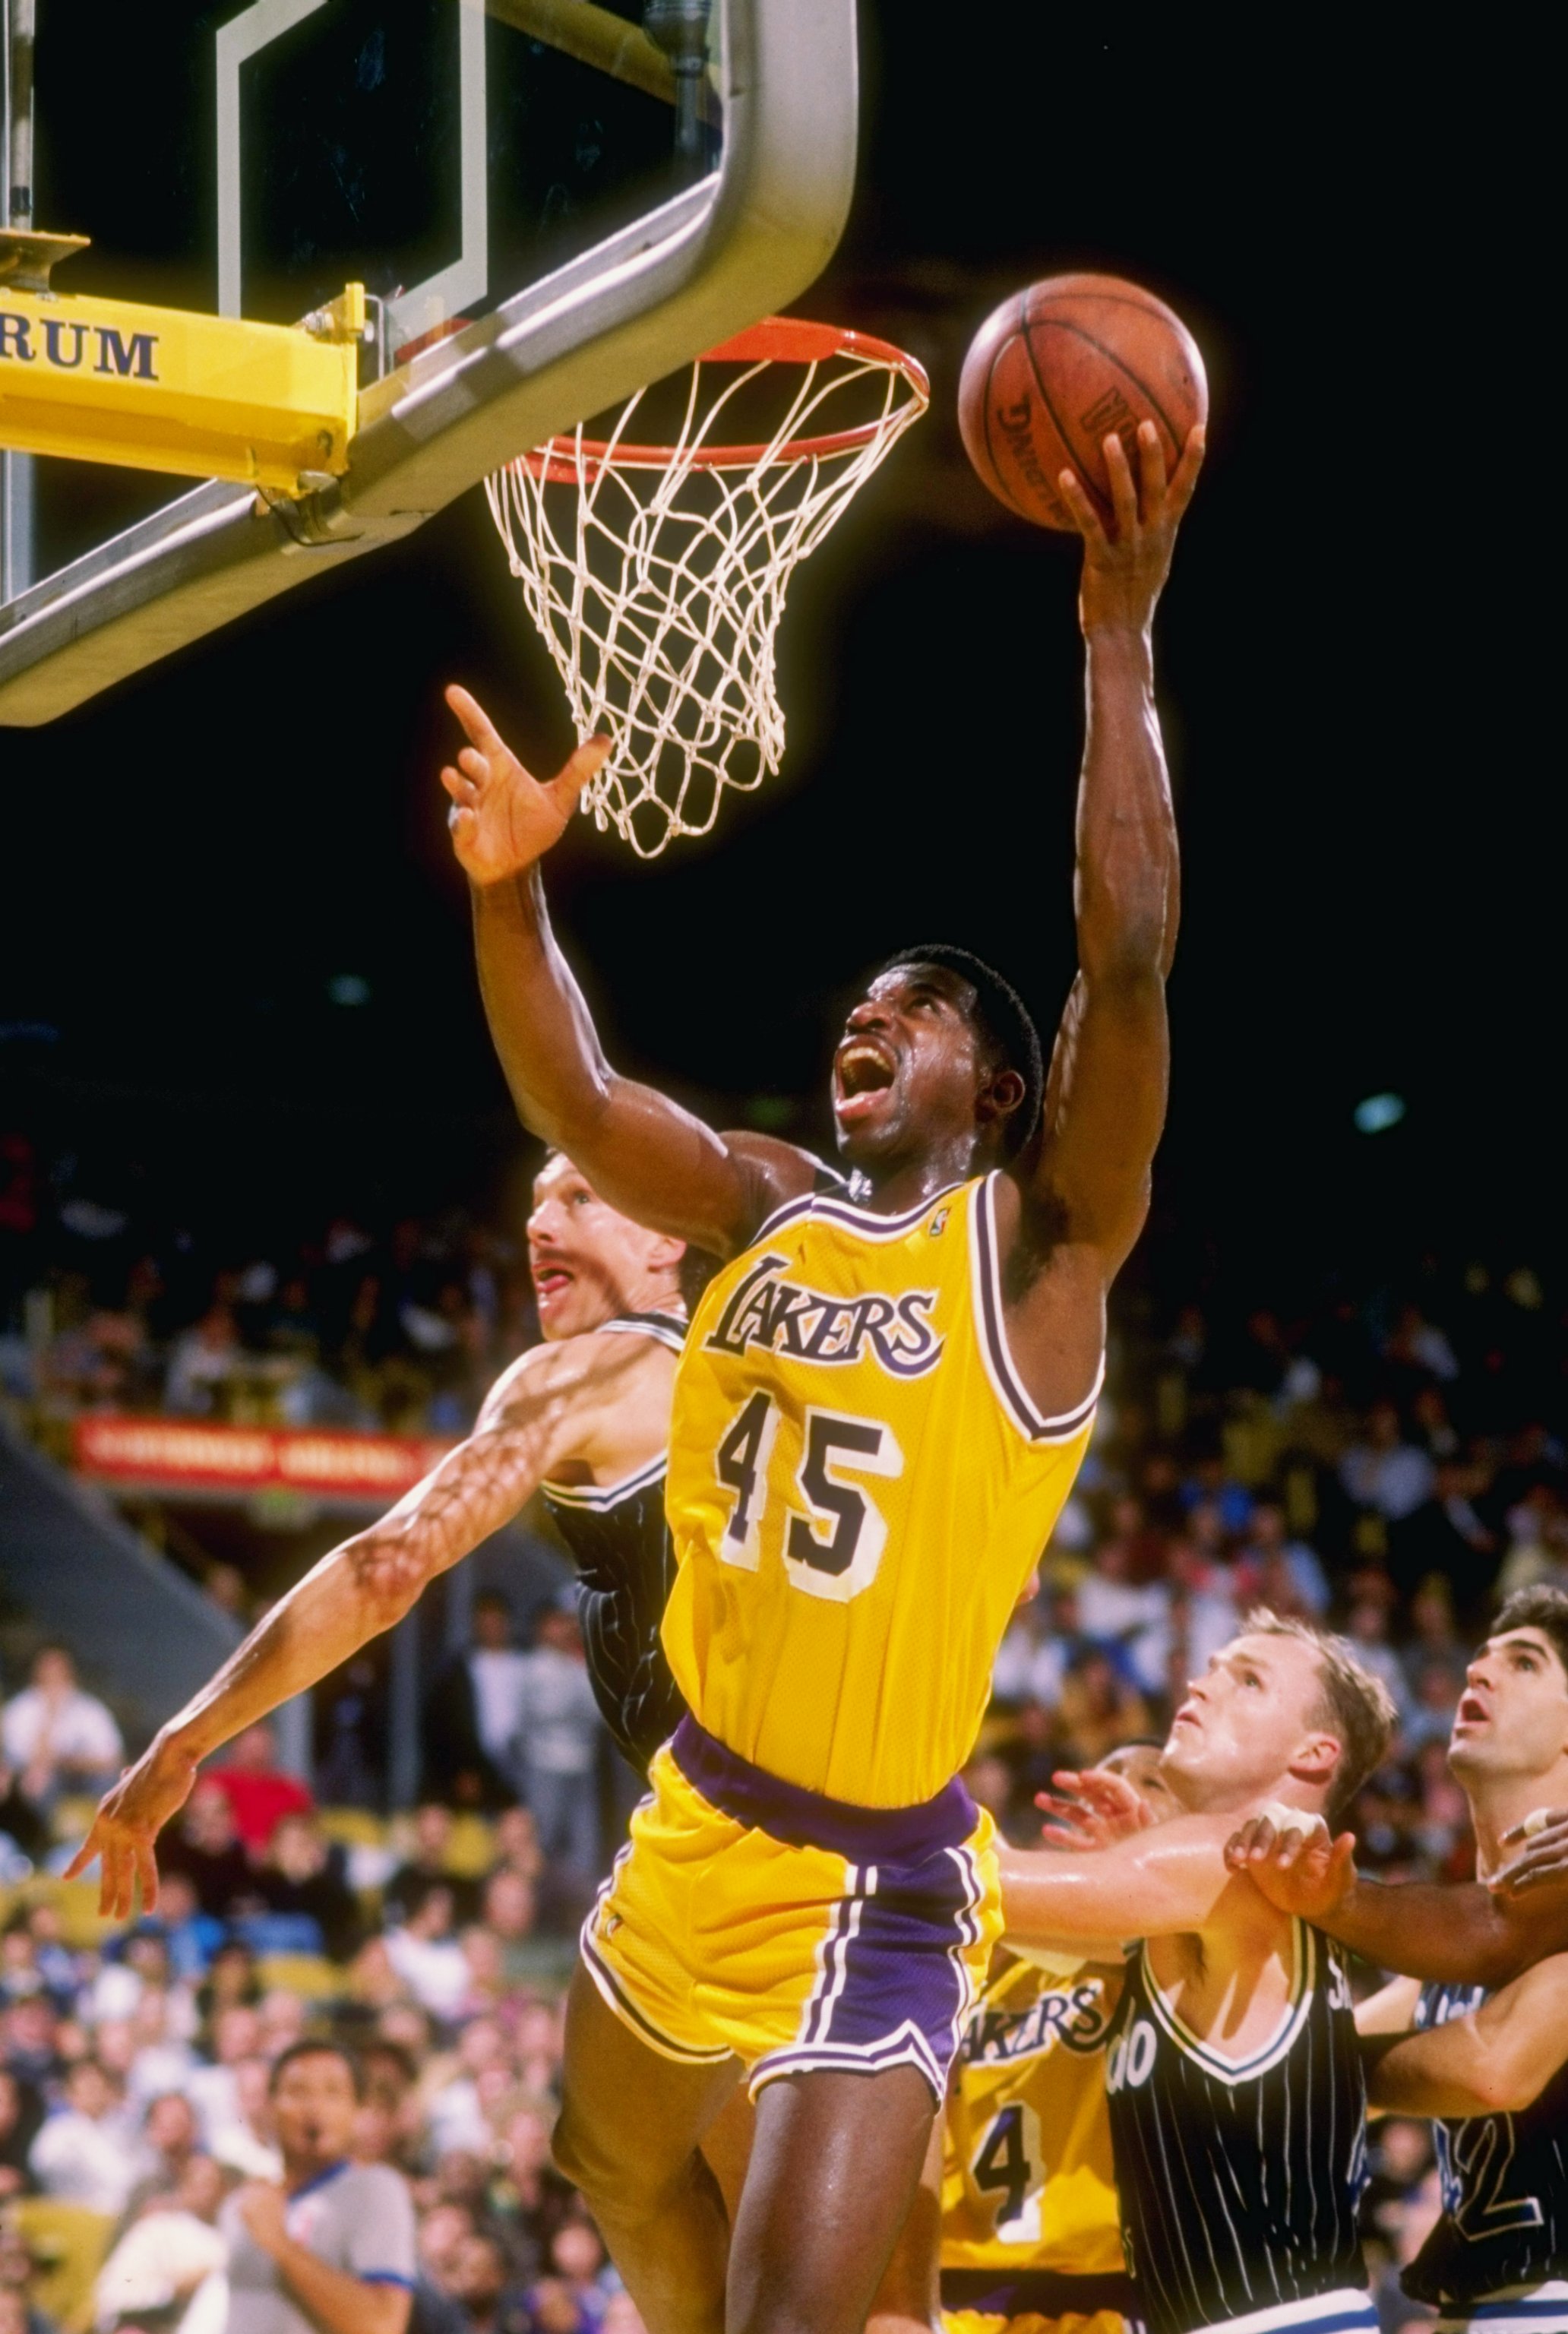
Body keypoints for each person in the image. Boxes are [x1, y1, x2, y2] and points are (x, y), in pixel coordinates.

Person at [438, 418, 1201, 2332]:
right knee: (598, 2162)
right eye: (859, 1005)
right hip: (691, 1812)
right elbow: (579, 1100)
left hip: (878, 1882)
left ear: (1000, 1084)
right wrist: (513, 893)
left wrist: (1114, 625)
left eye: (920, 1008)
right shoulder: (763, 1206)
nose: (870, 1016)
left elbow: (1124, 944)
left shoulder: (1034, 1254)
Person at [71, 1149, 695, 1914]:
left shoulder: (582, 1373)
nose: (536, 1225)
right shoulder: (776, 1369)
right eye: (536, 1202)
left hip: (739, 1829)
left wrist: (184, 1740)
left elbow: (389, 1569)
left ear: (666, 1241)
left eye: (579, 1197)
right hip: (857, 1815)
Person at [996, 1614, 1396, 2334]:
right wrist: (1135, 1852)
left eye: (1247, 1680)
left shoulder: (1236, 1865)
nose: (1203, 1685)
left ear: (1314, 1752)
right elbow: (1042, 1938)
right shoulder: (1233, 1888)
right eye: (1212, 1667)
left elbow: (985, 1889)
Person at [1234, 1586, 1568, 2332]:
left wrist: (1310, 2075)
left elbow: (1490, 2069)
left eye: (1524, 1663)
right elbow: (1320, 2041)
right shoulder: (1449, 1952)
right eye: (1481, 1660)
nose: (1480, 1674)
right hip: (1480, 2310)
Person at [878, 1742, 1180, 2334]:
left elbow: (1121, 1928)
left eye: (1152, 1781)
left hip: (1112, 2292)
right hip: (958, 2292)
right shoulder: (985, 1961)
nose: (1110, 1784)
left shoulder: (1179, 1942)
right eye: (1106, 1767)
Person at [220, 2039, 416, 2334]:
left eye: (333, 2092)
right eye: (298, 2092)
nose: (315, 2108)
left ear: (358, 2111)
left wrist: (281, 2245)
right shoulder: (242, 2203)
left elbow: (382, 2325)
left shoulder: (375, 2190)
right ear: (271, 2106)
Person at [0, 1644, 123, 1807]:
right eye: (48, 1671)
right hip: (41, 1780)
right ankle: (54, 1829)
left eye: (59, 1671)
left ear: (70, 1674)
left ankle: (93, 1826)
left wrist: (66, 1762)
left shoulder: (89, 1708)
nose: (54, 1677)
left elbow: (112, 1759)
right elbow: (21, 1760)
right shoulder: (21, 1708)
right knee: (36, 1782)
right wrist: (51, 1715)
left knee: (108, 1782)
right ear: (37, 1673)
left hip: (84, 1778)